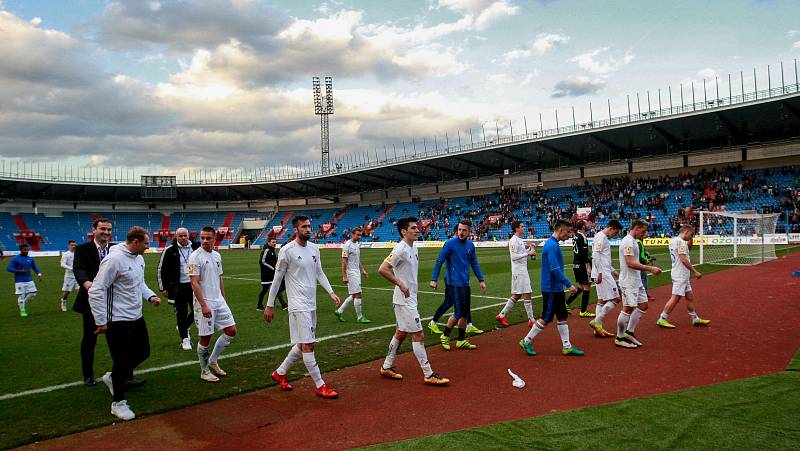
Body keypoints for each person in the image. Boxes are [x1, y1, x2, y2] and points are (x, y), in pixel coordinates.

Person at [264, 215, 342, 399]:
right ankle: (320, 385)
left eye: (309, 226)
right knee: (308, 344)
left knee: (302, 343)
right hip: (298, 305)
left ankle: (280, 372)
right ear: (295, 229)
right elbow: (277, 279)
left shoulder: (314, 248)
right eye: (304, 227)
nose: (308, 229)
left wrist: (331, 292)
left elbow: (319, 272)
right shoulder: (287, 250)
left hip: (311, 303)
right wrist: (269, 305)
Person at [88, 226, 161, 421]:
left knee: (143, 352)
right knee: (122, 360)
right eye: (146, 243)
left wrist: (150, 296)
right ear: (135, 242)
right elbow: (96, 290)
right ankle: (118, 403)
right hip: (117, 320)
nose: (148, 246)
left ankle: (115, 377)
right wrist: (101, 321)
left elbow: (139, 283)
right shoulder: (114, 260)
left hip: (136, 316)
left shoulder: (139, 258)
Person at [377, 217, 449, 385]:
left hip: (410, 298)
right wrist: (400, 284)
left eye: (417, 228)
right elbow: (382, 269)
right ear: (404, 231)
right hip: (403, 300)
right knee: (418, 334)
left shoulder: (413, 247)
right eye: (414, 228)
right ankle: (428, 374)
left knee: (401, 333)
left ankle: (386, 366)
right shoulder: (400, 249)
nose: (418, 230)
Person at [519, 220, 584, 357]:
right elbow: (554, 269)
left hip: (556, 288)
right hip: (551, 288)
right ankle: (526, 340)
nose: (569, 235)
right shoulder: (552, 246)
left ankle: (567, 346)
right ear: (560, 230)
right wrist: (568, 284)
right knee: (546, 317)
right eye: (567, 231)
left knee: (562, 316)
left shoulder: (553, 244)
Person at [189, 227, 237, 382]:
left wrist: (223, 297)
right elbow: (194, 283)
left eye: (208, 238)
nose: (204, 241)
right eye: (202, 238)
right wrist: (203, 305)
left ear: (215, 238)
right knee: (205, 338)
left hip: (218, 301)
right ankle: (204, 371)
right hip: (205, 301)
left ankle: (213, 361)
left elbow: (219, 277)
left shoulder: (217, 255)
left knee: (231, 330)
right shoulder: (195, 256)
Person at [430, 219, 487, 350]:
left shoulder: (470, 246)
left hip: (464, 282)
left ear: (469, 232)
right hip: (453, 282)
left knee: (466, 313)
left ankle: (461, 340)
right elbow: (440, 260)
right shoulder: (450, 244)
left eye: (464, 230)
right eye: (459, 230)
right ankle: (445, 335)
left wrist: (481, 280)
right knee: (459, 312)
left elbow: (474, 263)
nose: (461, 232)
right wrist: (434, 279)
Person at [73, 217, 113, 386]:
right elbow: (79, 268)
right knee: (90, 339)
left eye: (109, 230)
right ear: (94, 230)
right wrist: (87, 283)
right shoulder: (83, 249)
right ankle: (88, 374)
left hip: (113, 301)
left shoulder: (116, 249)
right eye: (102, 229)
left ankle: (122, 375)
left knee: (117, 340)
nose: (106, 232)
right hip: (91, 300)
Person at [614, 220, 662, 348]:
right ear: (636, 228)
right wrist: (651, 268)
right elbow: (630, 262)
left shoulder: (634, 241)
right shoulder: (628, 241)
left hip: (636, 280)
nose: (645, 234)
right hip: (629, 281)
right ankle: (619, 337)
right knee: (628, 308)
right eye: (644, 230)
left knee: (643, 305)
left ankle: (629, 332)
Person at [657, 225, 710, 328]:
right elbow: (683, 259)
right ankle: (662, 318)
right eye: (690, 234)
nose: (691, 236)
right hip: (680, 274)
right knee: (676, 298)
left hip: (681, 273)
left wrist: (691, 239)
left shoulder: (676, 241)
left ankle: (695, 319)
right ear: (686, 232)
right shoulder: (680, 242)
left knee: (689, 296)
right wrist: (695, 271)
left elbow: (687, 250)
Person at [157, 227, 200, 351]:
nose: (183, 238)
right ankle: (185, 339)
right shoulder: (170, 250)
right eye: (180, 236)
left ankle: (184, 326)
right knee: (181, 312)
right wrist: (163, 288)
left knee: (198, 310)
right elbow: (161, 269)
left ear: (188, 236)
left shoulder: (196, 248)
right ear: (176, 237)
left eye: (184, 235)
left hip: (194, 284)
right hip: (178, 287)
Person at [495, 220, 536, 328]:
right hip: (519, 271)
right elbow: (513, 257)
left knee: (517, 295)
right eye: (522, 226)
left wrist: (530, 248)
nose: (524, 228)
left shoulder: (520, 240)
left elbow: (521, 253)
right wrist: (528, 253)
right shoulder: (513, 240)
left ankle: (501, 315)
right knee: (527, 292)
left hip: (521, 270)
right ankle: (531, 320)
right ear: (516, 228)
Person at [588, 220, 623, 338]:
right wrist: (600, 273)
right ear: (611, 228)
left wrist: (613, 270)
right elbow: (596, 255)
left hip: (603, 272)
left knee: (601, 300)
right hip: (602, 273)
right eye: (616, 232)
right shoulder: (601, 237)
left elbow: (603, 258)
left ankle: (598, 328)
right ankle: (597, 321)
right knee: (617, 298)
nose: (616, 235)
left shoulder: (601, 237)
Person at [335, 227, 371, 323]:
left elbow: (358, 260)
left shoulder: (356, 245)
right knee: (358, 294)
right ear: (353, 234)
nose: (359, 236)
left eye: (360, 235)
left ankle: (339, 311)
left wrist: (363, 270)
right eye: (357, 234)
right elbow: (344, 261)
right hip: (351, 273)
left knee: (354, 295)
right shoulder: (347, 245)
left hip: (356, 272)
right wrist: (344, 276)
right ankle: (359, 317)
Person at [565, 220, 594, 317]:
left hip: (576, 264)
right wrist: (588, 267)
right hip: (582, 265)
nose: (588, 225)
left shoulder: (575, 236)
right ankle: (583, 311)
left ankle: (565, 304)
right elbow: (584, 254)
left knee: (581, 287)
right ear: (582, 227)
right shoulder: (582, 237)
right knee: (587, 287)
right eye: (586, 224)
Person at [7, 243, 42, 317]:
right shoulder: (15, 258)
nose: (26, 251)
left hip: (29, 279)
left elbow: (34, 267)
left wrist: (39, 274)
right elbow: (9, 268)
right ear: (21, 250)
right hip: (19, 281)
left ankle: (22, 303)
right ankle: (22, 310)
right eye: (25, 250)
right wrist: (19, 271)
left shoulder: (30, 258)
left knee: (33, 293)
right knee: (21, 296)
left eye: (27, 250)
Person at [257, 237, 286, 311]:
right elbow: (262, 262)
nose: (274, 243)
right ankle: (259, 305)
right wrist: (273, 268)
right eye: (273, 242)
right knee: (264, 290)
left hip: (273, 274)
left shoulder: (273, 251)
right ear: (268, 242)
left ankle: (283, 304)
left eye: (275, 242)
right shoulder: (266, 250)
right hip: (266, 275)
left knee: (276, 288)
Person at [59, 241, 78, 312]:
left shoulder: (78, 253)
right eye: (72, 245)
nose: (74, 246)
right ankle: (63, 303)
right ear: (69, 246)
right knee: (67, 292)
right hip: (69, 276)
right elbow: (62, 264)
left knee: (80, 291)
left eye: (75, 245)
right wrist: (71, 268)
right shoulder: (66, 254)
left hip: (78, 275)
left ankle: (80, 305)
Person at [636, 236, 656, 302]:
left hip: (638, 264)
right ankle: (645, 295)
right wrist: (647, 261)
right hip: (640, 265)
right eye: (644, 232)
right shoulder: (638, 242)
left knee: (639, 279)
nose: (646, 234)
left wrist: (645, 253)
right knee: (643, 279)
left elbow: (641, 253)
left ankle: (639, 295)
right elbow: (639, 256)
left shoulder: (638, 242)